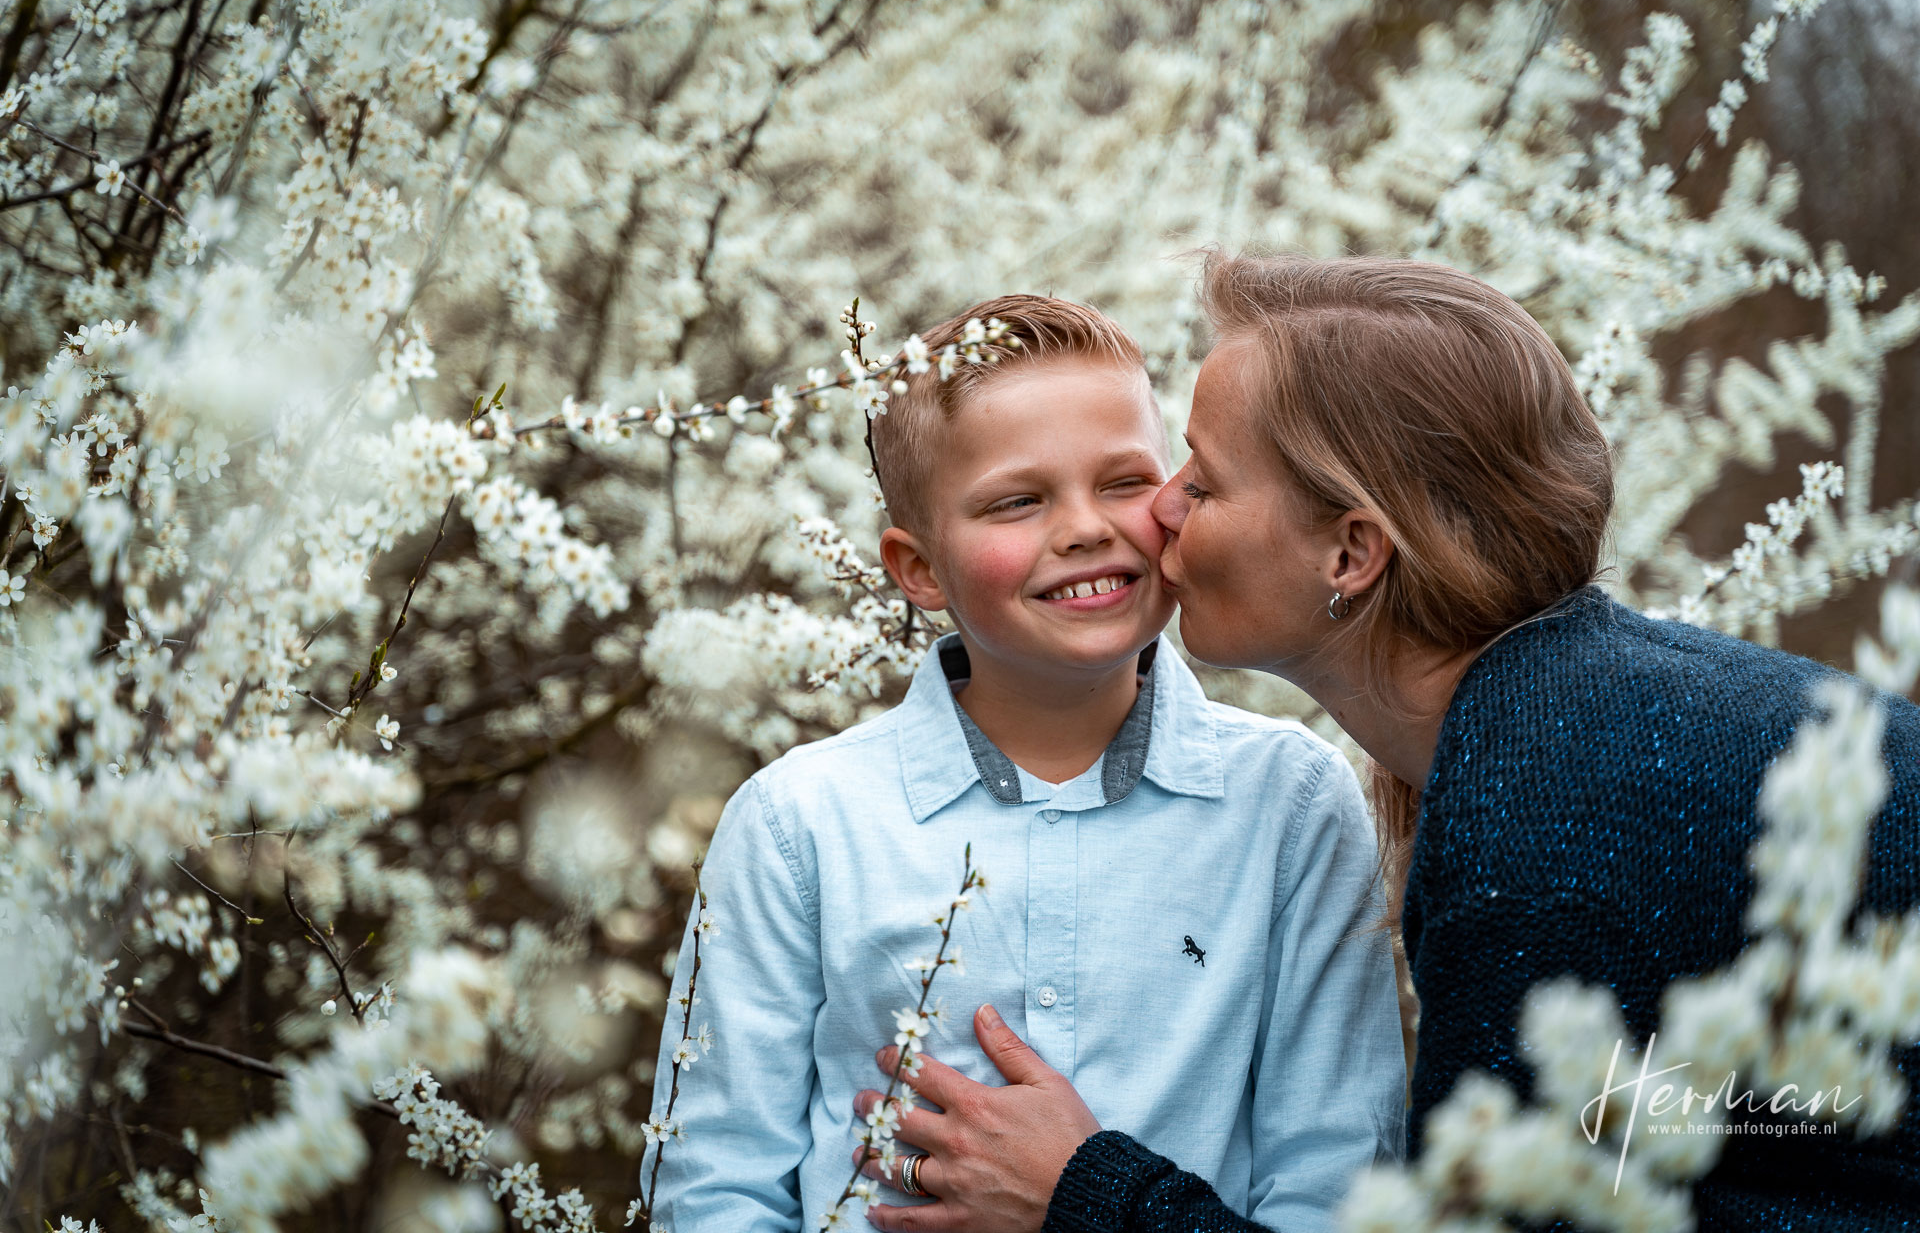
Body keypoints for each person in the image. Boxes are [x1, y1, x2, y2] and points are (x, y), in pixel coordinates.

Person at [844, 255, 1920, 1232]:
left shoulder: (1552, 818)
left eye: (1204, 480)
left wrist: (1083, 1191)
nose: (1158, 509)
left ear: (1351, 552)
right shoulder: (1584, 709)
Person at [643, 293, 1407, 1232]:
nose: (1087, 528)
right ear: (919, 570)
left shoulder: (1293, 806)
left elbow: (1337, 1188)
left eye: (1126, 482)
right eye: (1018, 500)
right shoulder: (799, 825)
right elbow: (714, 1187)